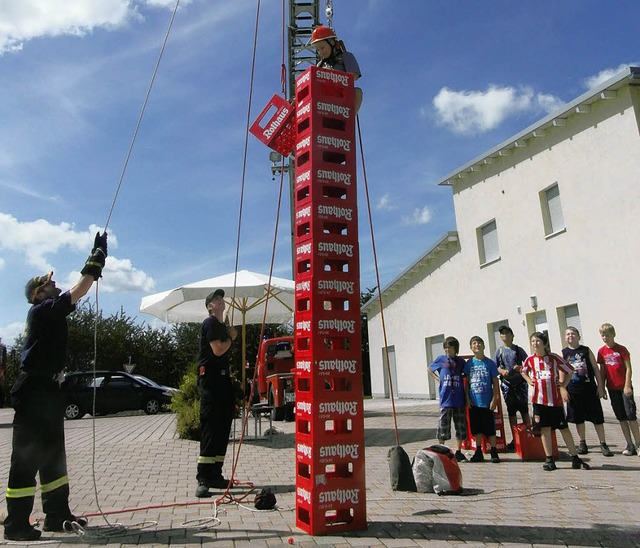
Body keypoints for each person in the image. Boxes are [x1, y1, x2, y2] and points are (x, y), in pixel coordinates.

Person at [4, 232, 107, 541]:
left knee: (52, 455)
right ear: (38, 293)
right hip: (33, 388)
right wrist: (97, 257)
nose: (54, 284)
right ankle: (16, 523)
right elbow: (80, 289)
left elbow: (74, 293)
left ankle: (57, 515)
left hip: (48, 389)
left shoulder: (47, 311)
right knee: (26, 457)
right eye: (48, 284)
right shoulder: (41, 311)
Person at [521, 331, 589, 471]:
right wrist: (529, 381)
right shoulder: (530, 360)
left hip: (555, 401)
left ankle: (575, 457)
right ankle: (549, 459)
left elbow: (570, 370)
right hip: (539, 401)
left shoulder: (554, 358)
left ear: (544, 343)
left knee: (563, 428)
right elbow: (523, 371)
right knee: (545, 429)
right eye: (533, 341)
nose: (535, 344)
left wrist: (563, 385)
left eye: (538, 341)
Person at [195, 289, 238, 498]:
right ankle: (203, 478)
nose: (221, 301)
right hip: (211, 383)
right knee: (211, 429)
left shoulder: (222, 326)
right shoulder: (210, 323)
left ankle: (216, 474)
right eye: (216, 299)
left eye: (222, 298)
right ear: (210, 306)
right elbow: (218, 349)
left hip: (223, 383)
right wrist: (230, 339)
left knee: (223, 429)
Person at [562, 327, 613, 457]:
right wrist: (562, 389)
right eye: (568, 334)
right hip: (573, 391)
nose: (570, 336)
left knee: (597, 418)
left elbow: (596, 369)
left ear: (578, 337)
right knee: (578, 419)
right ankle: (582, 443)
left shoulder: (586, 350)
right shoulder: (564, 353)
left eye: (573, 333)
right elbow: (562, 373)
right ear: (565, 337)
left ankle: (603, 443)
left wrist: (601, 387)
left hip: (589, 389)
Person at [596, 323, 640, 456]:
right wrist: (602, 387)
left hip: (624, 387)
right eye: (603, 335)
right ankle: (629, 444)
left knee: (630, 416)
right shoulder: (601, 352)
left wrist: (627, 386)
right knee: (621, 417)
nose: (605, 338)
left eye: (607, 335)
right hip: (612, 388)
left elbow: (628, 368)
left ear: (613, 334)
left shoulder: (621, 349)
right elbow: (602, 371)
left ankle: (638, 444)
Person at [428, 337, 468, 462]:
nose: (447, 349)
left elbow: (466, 374)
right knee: (443, 426)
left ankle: (459, 451)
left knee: (460, 425)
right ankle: (442, 450)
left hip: (458, 399)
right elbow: (429, 369)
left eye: (450, 347)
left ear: (455, 348)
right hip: (445, 399)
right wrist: (437, 378)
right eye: (445, 347)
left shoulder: (460, 362)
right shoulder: (441, 359)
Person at [464, 336, 501, 463]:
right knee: (477, 428)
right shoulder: (469, 364)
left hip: (487, 401)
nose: (477, 345)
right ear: (471, 347)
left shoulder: (490, 363)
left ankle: (494, 452)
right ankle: (478, 451)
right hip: (474, 402)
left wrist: (494, 399)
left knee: (490, 429)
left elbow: (495, 383)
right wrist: (467, 399)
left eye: (479, 343)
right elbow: (467, 383)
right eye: (474, 343)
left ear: (483, 346)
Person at [310, 25, 363, 113]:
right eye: (318, 50)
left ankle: (349, 119)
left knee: (357, 92)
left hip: (342, 98)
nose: (321, 52)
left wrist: (334, 77)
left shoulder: (346, 57)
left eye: (322, 47)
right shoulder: (320, 65)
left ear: (332, 42)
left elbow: (354, 76)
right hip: (324, 102)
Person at [494, 325, 530, 451]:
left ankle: (528, 435)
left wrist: (520, 368)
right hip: (507, 385)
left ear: (512, 335)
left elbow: (528, 363)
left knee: (524, 410)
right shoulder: (499, 351)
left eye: (507, 333)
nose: (505, 336)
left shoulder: (518, 350)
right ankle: (516, 438)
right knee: (511, 412)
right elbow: (495, 367)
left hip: (520, 384)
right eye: (502, 334)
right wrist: (502, 371)